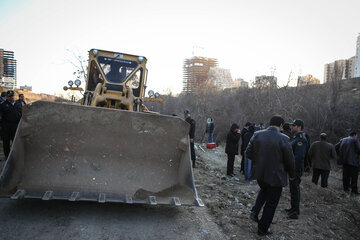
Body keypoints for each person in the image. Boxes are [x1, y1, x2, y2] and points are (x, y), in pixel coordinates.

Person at [246, 115, 295, 236]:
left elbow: (248, 153)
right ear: (281, 125)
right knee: (271, 203)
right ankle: (263, 229)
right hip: (276, 176)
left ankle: (254, 212)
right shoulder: (284, 138)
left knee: (264, 190)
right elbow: (290, 160)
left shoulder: (258, 134)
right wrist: (292, 175)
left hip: (260, 173)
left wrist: (259, 162)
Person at [286, 119, 308, 219]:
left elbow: (298, 157)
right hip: (293, 168)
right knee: (293, 189)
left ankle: (295, 212)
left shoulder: (300, 139)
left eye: (293, 126)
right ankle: (293, 207)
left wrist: (292, 170)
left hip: (296, 169)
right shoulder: (295, 138)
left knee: (295, 188)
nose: (291, 127)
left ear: (299, 127)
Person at [0, 90, 21, 159]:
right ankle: (7, 156)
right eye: (10, 96)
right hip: (6, 127)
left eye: (12, 96)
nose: (11, 98)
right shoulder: (3, 105)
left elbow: (20, 114)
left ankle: (15, 156)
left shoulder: (17, 104)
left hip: (15, 126)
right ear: (7, 97)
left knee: (15, 142)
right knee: (6, 142)